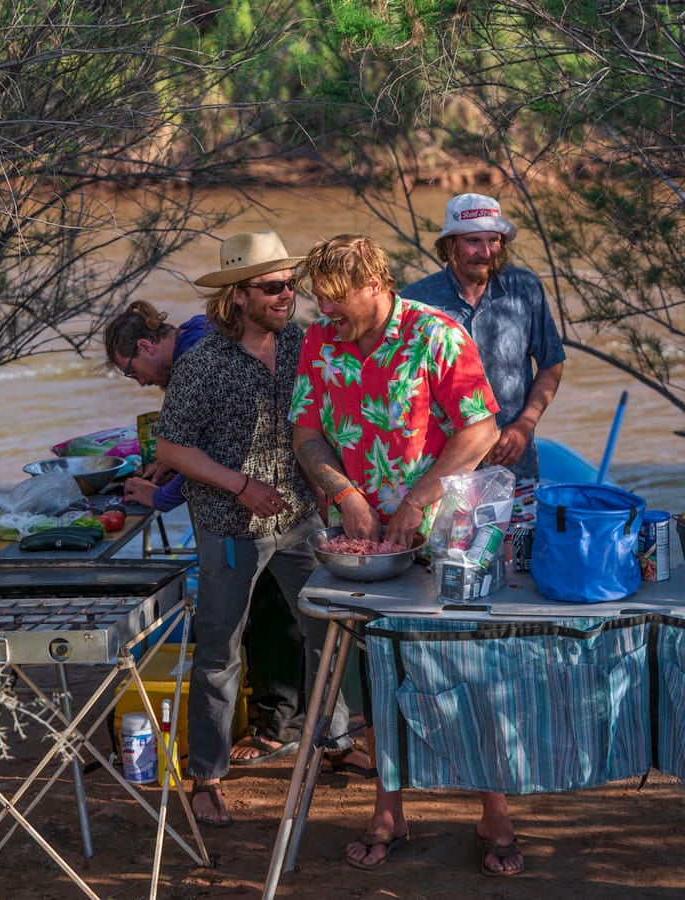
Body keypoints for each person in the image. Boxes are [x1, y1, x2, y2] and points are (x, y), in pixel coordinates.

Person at [290, 234, 525, 877]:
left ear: (375, 284)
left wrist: (418, 501)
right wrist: (341, 491)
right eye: (318, 298)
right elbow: (306, 433)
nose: (323, 309)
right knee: (378, 672)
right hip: (361, 540)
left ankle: (493, 810)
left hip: (444, 531)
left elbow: (481, 428)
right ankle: (388, 807)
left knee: (465, 669)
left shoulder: (435, 334)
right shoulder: (319, 341)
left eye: (335, 298)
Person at [154, 230, 365, 827]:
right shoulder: (204, 364)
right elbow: (171, 446)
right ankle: (207, 776)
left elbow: (327, 418)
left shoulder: (304, 343)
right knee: (220, 651)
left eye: (289, 284)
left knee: (328, 632)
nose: (286, 294)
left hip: (301, 517)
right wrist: (241, 485)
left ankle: (339, 739)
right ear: (237, 296)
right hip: (229, 525)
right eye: (272, 286)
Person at [400, 193, 565, 548]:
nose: (486, 251)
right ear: (449, 245)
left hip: (514, 466)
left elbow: (551, 362)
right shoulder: (416, 302)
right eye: (473, 241)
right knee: (444, 571)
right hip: (440, 474)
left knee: (516, 569)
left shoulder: (525, 289)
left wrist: (525, 424)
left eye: (494, 241)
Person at [103, 299, 215, 511]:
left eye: (133, 372)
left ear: (145, 346)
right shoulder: (197, 327)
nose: (142, 383)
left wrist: (160, 497)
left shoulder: (195, 359)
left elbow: (214, 449)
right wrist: (175, 461)